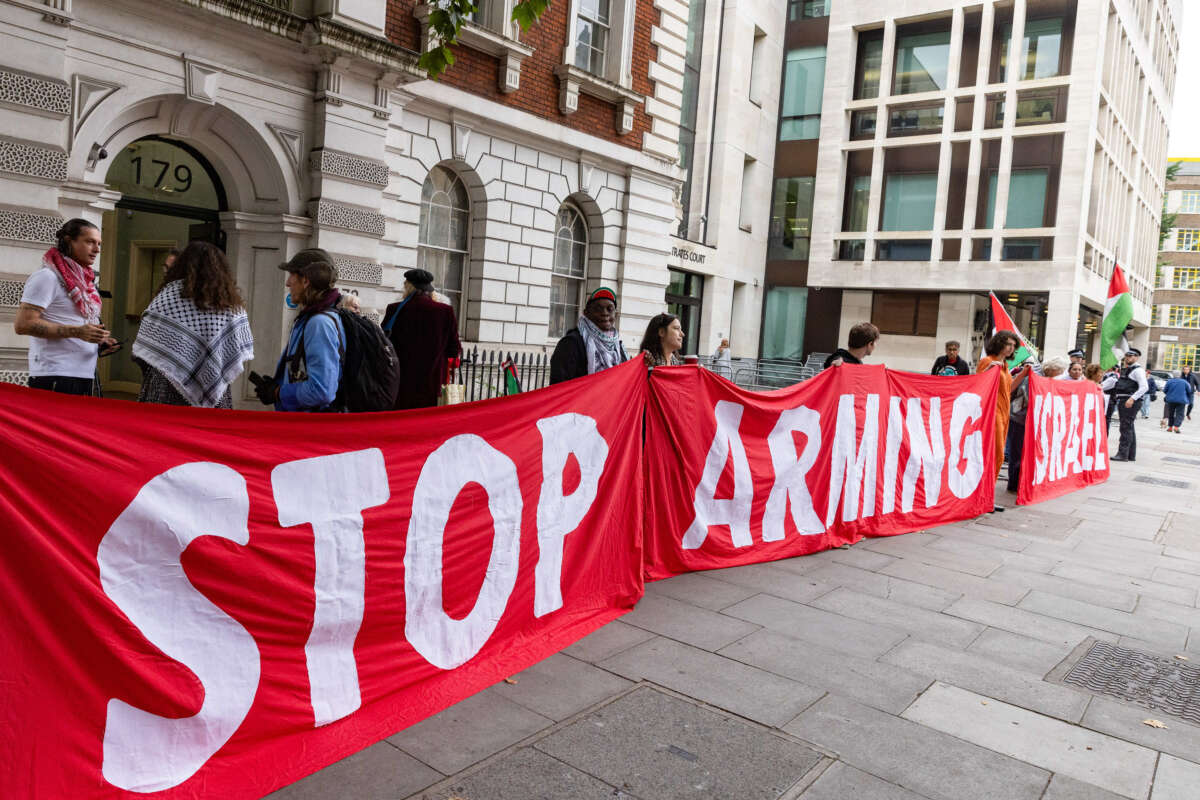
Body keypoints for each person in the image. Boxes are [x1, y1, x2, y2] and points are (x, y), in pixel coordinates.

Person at [132, 241, 254, 408]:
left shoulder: (168, 297)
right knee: (206, 433)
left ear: (182, 265)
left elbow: (144, 349)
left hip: (166, 385)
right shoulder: (231, 305)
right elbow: (235, 350)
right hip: (216, 391)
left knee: (164, 431)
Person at [14, 218, 119, 396]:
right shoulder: (47, 277)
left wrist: (99, 341)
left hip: (84, 373)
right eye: (89, 242)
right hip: (55, 374)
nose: (97, 249)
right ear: (69, 241)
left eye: (99, 243)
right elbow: (23, 324)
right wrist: (77, 332)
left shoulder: (86, 282)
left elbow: (76, 323)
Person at [252, 249, 345, 412]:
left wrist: (278, 393)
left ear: (306, 281)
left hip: (311, 429)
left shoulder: (319, 323)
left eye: (291, 275)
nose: (288, 283)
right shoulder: (312, 318)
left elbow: (321, 391)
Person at [383, 268, 461, 409]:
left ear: (408, 286)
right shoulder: (445, 311)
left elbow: (384, 342)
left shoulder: (394, 310)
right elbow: (454, 350)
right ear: (429, 289)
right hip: (433, 384)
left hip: (401, 383)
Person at [977, 331, 1030, 511]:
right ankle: (983, 498)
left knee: (998, 455)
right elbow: (978, 382)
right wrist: (988, 370)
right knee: (996, 454)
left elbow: (1007, 390)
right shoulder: (989, 361)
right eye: (1008, 344)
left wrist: (1022, 375)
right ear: (999, 343)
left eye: (1014, 345)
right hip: (992, 414)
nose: (1011, 348)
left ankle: (987, 497)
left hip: (1004, 413)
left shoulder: (1005, 365)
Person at [1006, 357, 1064, 493]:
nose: (1059, 374)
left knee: (1027, 453)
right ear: (1052, 369)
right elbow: (1028, 397)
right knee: (1017, 453)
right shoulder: (1031, 376)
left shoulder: (1044, 378)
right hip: (1019, 418)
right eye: (1059, 371)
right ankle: (1014, 484)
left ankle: (1024, 481)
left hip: (1031, 421)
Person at [549, 286, 628, 384]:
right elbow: (559, 387)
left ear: (615, 315)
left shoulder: (619, 348)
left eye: (610, 309)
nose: (604, 313)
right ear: (586, 313)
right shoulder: (571, 343)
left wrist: (646, 367)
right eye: (598, 309)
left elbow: (628, 382)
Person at [1101, 348, 1149, 462]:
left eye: (1131, 356)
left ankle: (1122, 454)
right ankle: (1130, 454)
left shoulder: (1137, 370)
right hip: (1125, 400)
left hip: (1129, 401)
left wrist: (1132, 398)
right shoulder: (1129, 369)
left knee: (1125, 428)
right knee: (1129, 427)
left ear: (1137, 357)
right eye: (1127, 355)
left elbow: (1144, 387)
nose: (1128, 358)